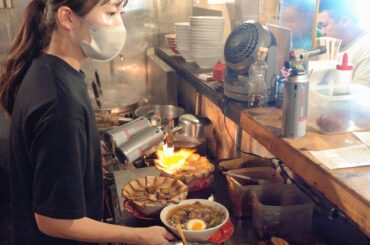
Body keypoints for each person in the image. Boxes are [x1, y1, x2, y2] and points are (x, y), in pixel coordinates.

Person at [0, 0, 174, 244]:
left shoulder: (47, 67)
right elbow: (54, 221)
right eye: (111, 13)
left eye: (120, 13)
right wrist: (140, 235)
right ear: (67, 18)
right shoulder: (60, 104)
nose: (119, 25)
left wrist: (85, 157)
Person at [318, 0, 370, 86]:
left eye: (324, 25)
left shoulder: (366, 48)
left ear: (344, 21)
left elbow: (362, 95)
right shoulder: (336, 46)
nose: (322, 32)